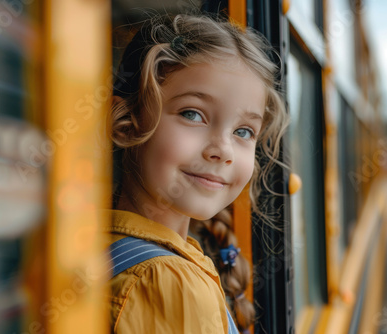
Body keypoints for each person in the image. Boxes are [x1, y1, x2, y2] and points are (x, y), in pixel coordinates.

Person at [105, 12, 288, 334]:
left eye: (244, 132)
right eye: (193, 114)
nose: (223, 150)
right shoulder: (166, 280)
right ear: (125, 120)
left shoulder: (99, 242)